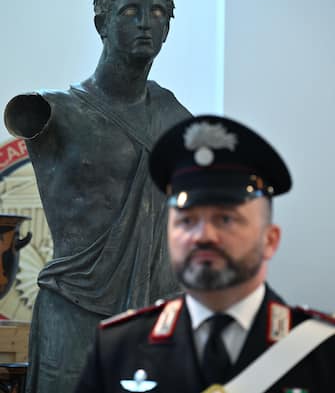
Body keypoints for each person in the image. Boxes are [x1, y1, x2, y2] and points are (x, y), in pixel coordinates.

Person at [3, 0, 191, 393]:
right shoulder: (54, 113)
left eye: (160, 13)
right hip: (75, 305)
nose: (147, 22)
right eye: (130, 12)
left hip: (156, 309)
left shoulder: (174, 116)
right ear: (100, 23)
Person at [75, 114, 335, 393]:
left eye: (225, 219)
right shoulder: (118, 348)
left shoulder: (324, 352)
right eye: (186, 221)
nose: (202, 236)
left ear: (270, 240)